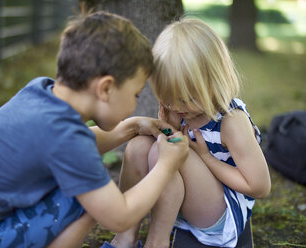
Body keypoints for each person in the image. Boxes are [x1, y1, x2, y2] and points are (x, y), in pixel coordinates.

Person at [0, 11, 190, 248]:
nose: (135, 103)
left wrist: (132, 127)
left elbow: (73, 147)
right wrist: (166, 165)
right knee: (92, 198)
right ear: (106, 88)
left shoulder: (41, 94)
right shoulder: (65, 139)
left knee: (83, 181)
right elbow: (119, 216)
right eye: (135, 94)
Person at [109, 18, 271, 248]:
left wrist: (205, 158)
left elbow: (260, 186)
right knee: (138, 147)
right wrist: (170, 126)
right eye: (167, 97)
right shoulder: (181, 110)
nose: (176, 106)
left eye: (185, 98)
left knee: (161, 151)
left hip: (220, 215)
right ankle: (124, 236)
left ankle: (157, 242)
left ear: (213, 83)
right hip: (188, 203)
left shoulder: (231, 122)